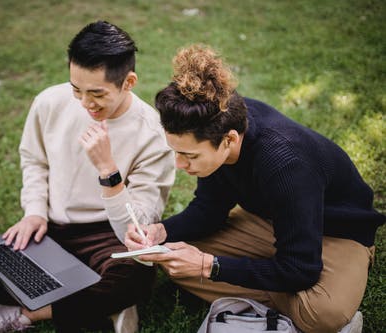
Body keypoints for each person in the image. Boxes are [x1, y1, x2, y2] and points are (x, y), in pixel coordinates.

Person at [124, 45, 385, 333]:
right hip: (269, 221)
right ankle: (278, 286)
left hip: (337, 233)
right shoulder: (217, 120)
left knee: (322, 314)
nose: (180, 164)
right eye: (176, 152)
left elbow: (301, 269)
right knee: (170, 256)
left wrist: (209, 267)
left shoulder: (286, 163)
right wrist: (162, 232)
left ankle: (294, 290)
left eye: (190, 156)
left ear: (229, 140)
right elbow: (210, 208)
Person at [0, 21, 175, 333]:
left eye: (97, 93)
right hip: (54, 230)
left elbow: (136, 229)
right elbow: (34, 160)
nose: (85, 104)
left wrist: (108, 171)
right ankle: (98, 305)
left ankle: (29, 313)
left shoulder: (153, 133)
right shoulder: (50, 102)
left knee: (136, 274)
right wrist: (34, 212)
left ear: (129, 82)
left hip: (110, 237)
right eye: (77, 90)